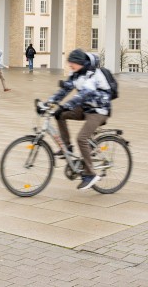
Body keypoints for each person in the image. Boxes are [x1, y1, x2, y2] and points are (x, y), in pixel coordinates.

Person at [47, 49, 112, 191]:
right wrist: (49, 103)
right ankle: (66, 147)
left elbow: (83, 94)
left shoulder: (93, 75)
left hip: (99, 110)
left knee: (82, 138)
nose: (70, 65)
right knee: (60, 114)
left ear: (80, 63)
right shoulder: (76, 74)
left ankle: (90, 174)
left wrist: (67, 105)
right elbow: (65, 90)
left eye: (72, 63)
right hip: (85, 107)